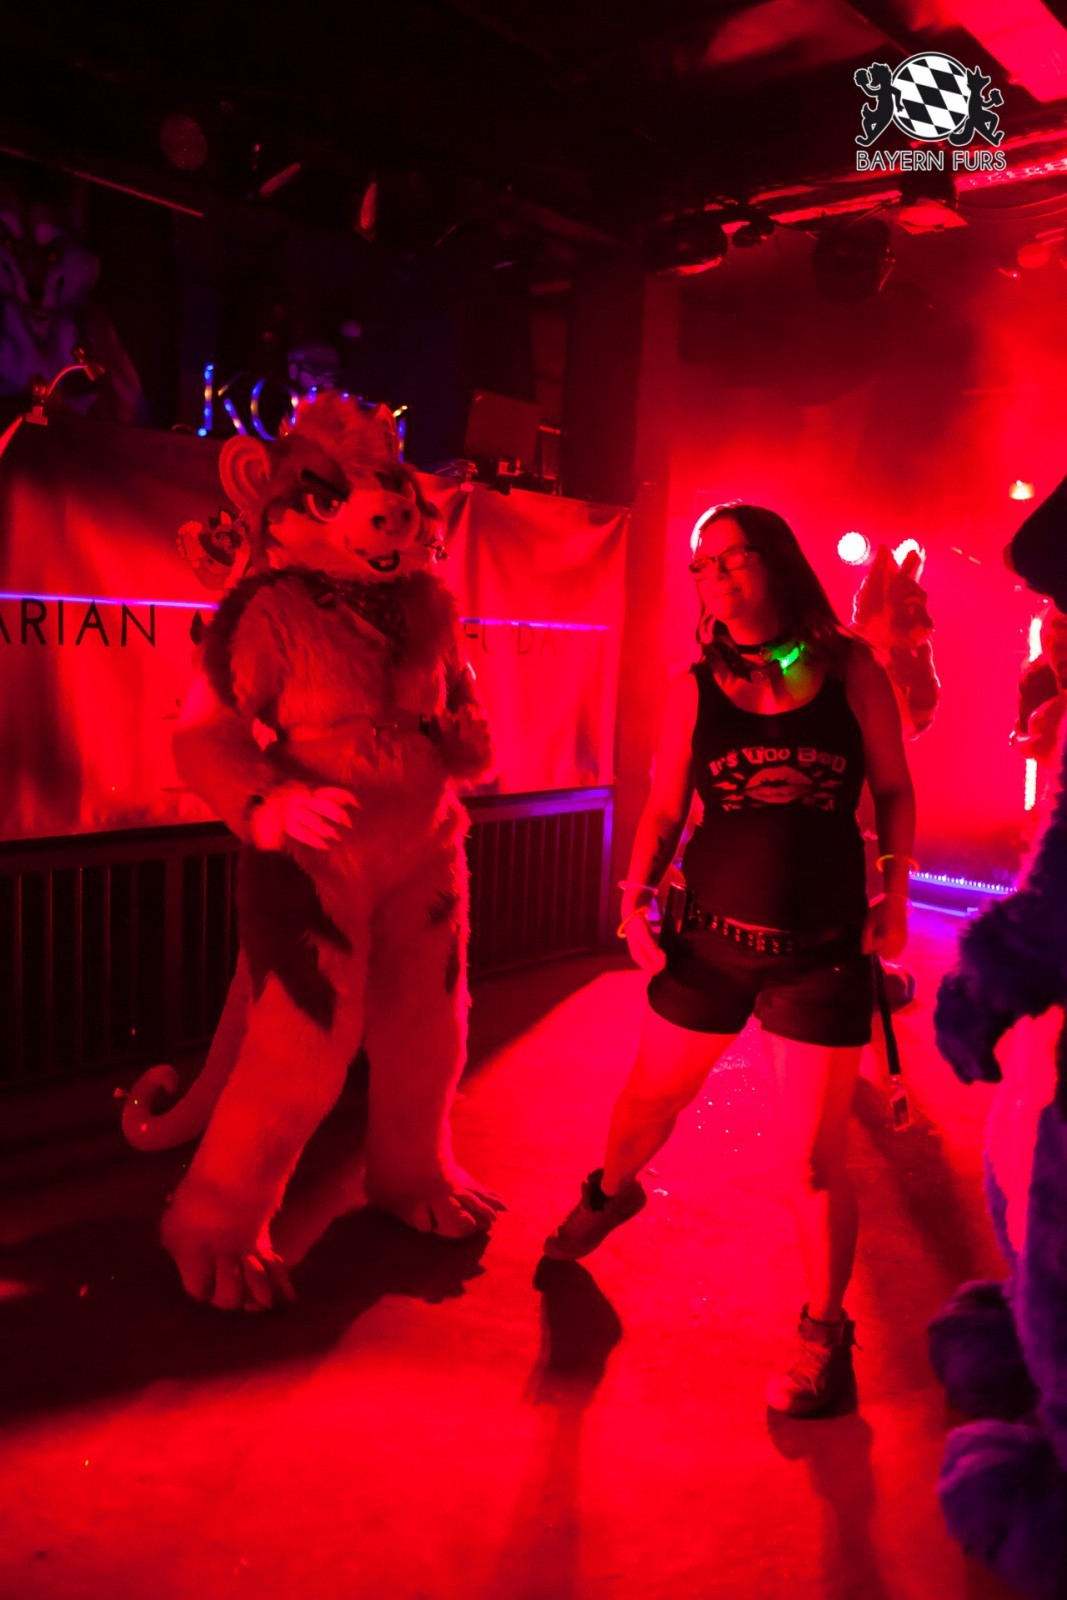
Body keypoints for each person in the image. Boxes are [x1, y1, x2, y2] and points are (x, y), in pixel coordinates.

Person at [543, 502, 916, 1416]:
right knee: (647, 1103)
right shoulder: (694, 686)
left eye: (730, 558)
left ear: (775, 562)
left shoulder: (852, 669)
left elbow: (894, 788)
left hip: (820, 955)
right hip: (709, 942)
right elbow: (666, 806)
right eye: (700, 566)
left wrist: (895, 890)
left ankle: (825, 1337)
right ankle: (610, 1192)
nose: (712, 577)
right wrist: (632, 898)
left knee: (813, 1164)